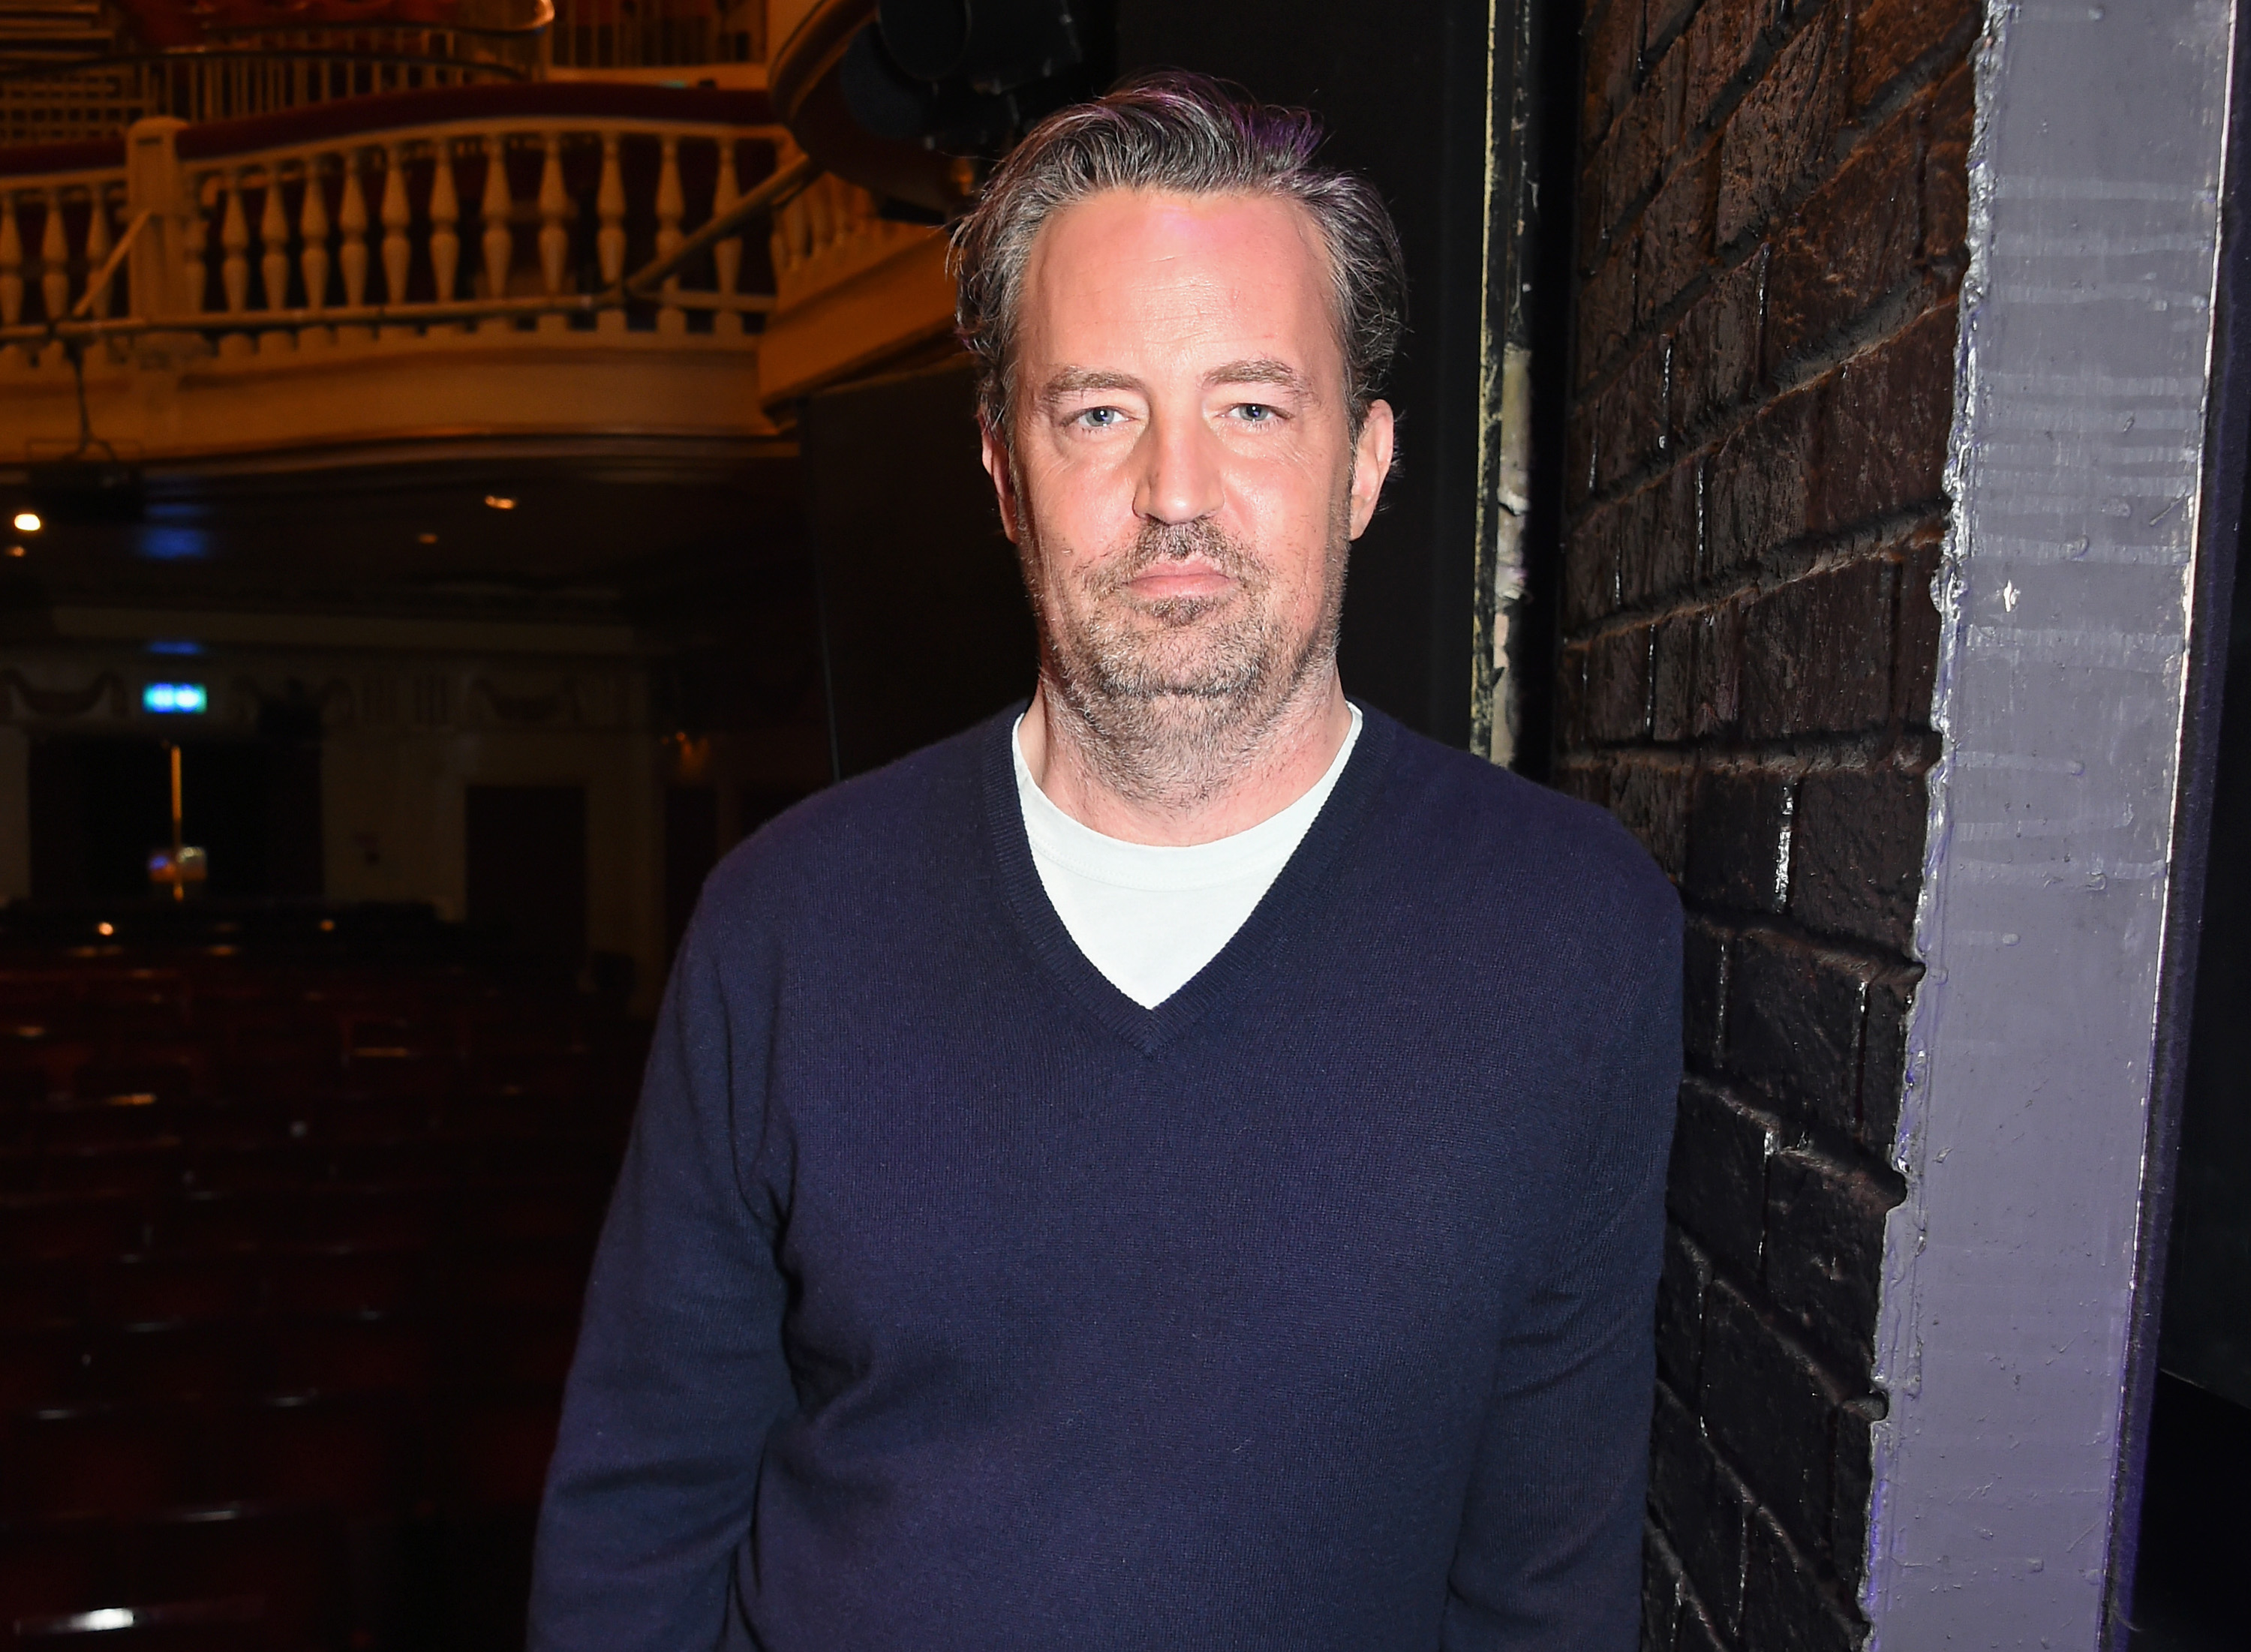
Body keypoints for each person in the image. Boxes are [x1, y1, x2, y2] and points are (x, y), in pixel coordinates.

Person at [529, 73, 1681, 1651]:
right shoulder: (785, 923)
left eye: (1254, 406)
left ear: (1367, 462)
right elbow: (637, 1529)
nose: (1177, 496)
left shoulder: (1568, 935)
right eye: (1099, 412)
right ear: (1006, 475)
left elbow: (1545, 1590)